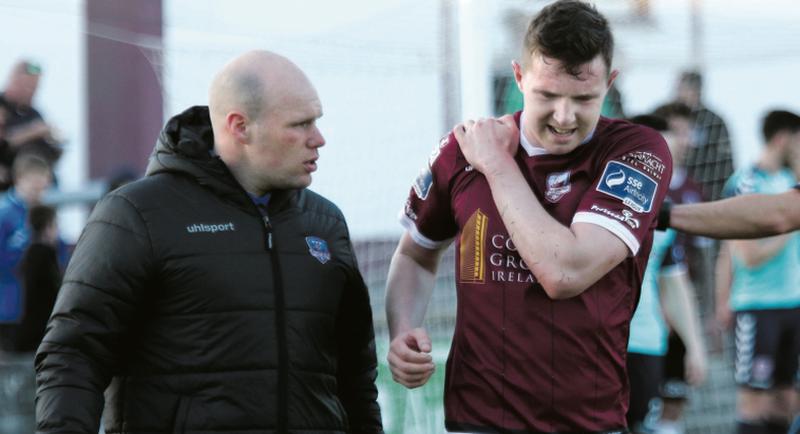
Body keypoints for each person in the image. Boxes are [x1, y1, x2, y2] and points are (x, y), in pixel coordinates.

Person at [35, 50, 383, 434]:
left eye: (316, 121)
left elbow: (355, 373)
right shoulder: (137, 215)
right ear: (239, 126)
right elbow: (74, 353)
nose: (318, 139)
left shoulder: (325, 222)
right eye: (300, 124)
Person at [386, 1, 673, 431]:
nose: (564, 116)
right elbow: (414, 254)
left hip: (587, 422)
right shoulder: (462, 151)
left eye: (583, 98)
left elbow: (564, 272)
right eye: (547, 95)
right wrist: (403, 329)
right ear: (519, 76)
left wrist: (498, 165)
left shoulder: (635, 152)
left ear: (610, 83)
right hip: (477, 421)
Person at [714, 110, 800, 434]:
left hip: (793, 306)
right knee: (754, 400)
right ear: (783, 138)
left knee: (786, 401)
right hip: (757, 308)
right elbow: (747, 256)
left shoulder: (790, 183)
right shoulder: (746, 183)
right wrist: (790, 224)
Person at [624, 115, 706, 434]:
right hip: (598, 345)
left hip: (647, 341)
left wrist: (693, 344)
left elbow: (676, 284)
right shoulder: (595, 202)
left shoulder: (664, 211)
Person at [0, 153, 52, 333]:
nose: (39, 194)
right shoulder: (4, 214)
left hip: (36, 307)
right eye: (34, 187)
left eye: (42, 188)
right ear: (19, 179)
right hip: (8, 307)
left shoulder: (45, 213)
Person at [674, 70, 734, 202]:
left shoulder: (714, 121)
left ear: (697, 91)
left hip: (708, 192)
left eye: (683, 89)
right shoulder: (671, 118)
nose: (678, 94)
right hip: (676, 188)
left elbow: (726, 164)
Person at [14, 204, 62, 353]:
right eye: (55, 225)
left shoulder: (29, 253)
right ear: (48, 227)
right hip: (42, 332)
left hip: (28, 330)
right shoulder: (45, 254)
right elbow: (55, 292)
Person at [0, 60, 62, 171]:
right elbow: (6, 142)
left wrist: (53, 139)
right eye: (28, 86)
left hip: (36, 177)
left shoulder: (34, 114)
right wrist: (32, 132)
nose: (32, 92)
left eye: (35, 87)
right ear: (14, 81)